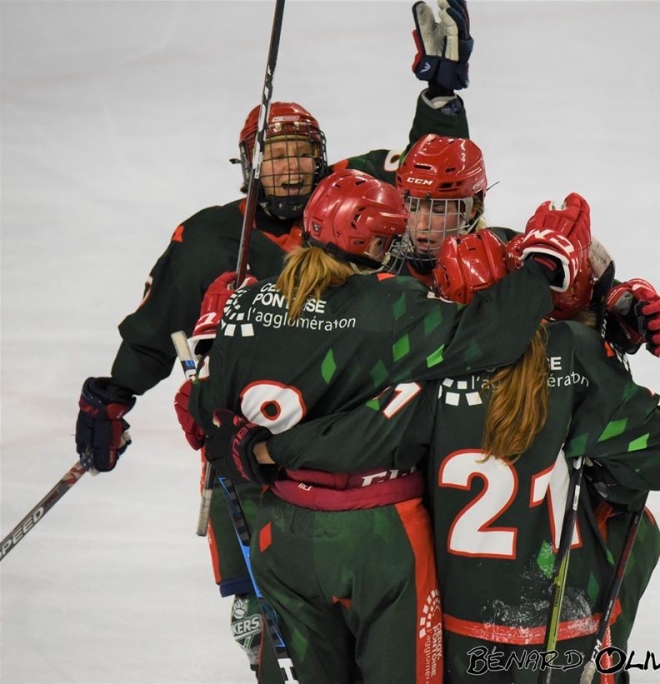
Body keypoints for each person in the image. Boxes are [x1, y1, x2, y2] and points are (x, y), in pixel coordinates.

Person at [73, 0, 475, 672]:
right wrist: (113, 393)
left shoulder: (354, 195)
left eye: (301, 155)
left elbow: (427, 173)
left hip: (355, 448)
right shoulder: (211, 239)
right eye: (275, 157)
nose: (289, 170)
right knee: (273, 628)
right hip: (257, 459)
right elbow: (155, 328)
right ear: (247, 165)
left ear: (324, 159)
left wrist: (440, 96)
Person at [249, 206, 660, 683]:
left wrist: (266, 450)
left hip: (456, 629)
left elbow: (357, 439)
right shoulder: (573, 353)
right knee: (635, 525)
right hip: (561, 623)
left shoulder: (426, 368)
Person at [177, 166, 593, 683]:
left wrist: (212, 367)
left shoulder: (243, 302)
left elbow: (206, 419)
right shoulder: (391, 304)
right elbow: (494, 334)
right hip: (376, 536)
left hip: (280, 533)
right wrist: (542, 270)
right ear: (373, 243)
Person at [393, 133, 660, 358]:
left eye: (439, 210)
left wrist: (623, 310)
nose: (422, 224)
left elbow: (578, 304)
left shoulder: (508, 254)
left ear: (472, 209)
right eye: (413, 206)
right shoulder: (378, 262)